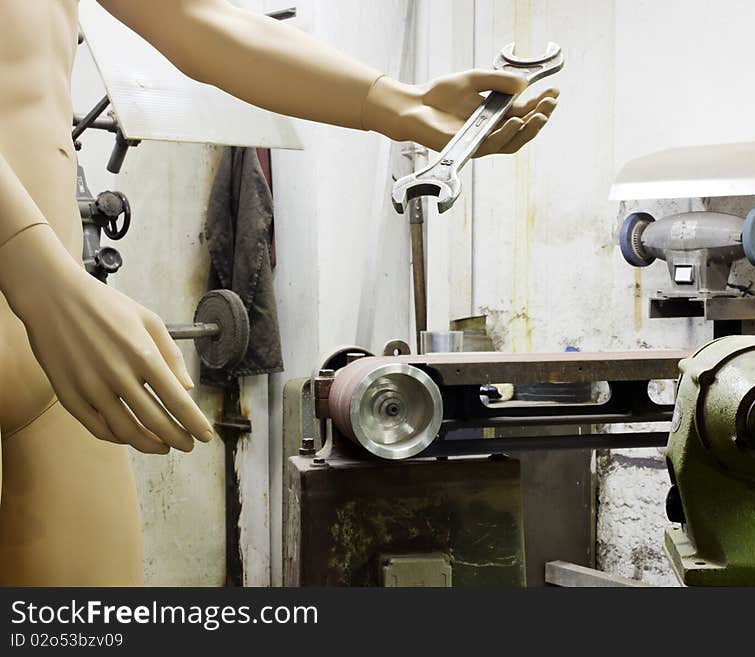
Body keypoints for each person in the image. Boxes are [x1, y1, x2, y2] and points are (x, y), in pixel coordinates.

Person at [0, 0, 559, 585]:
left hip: (51, 371)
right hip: (50, 304)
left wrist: (398, 102)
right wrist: (39, 275)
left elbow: (196, 20)